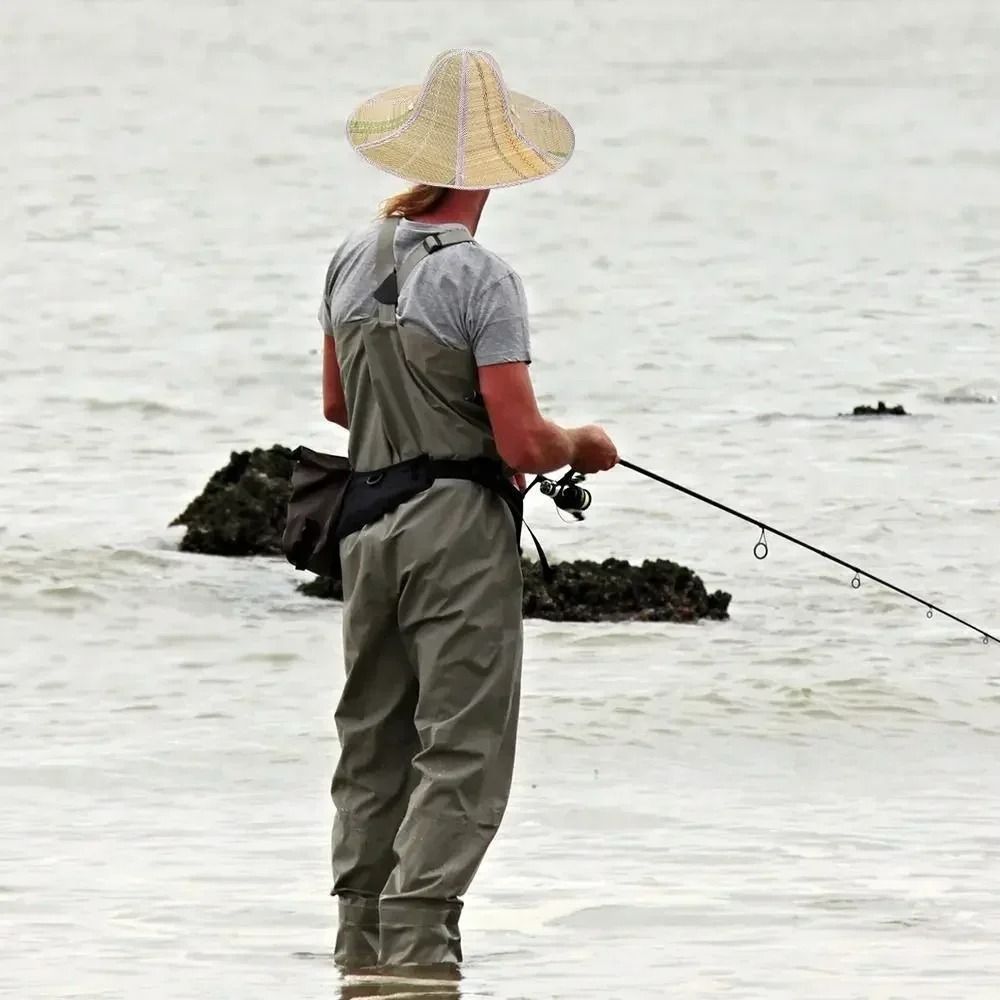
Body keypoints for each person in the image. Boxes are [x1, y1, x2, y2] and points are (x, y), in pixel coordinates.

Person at [317, 47, 618, 974]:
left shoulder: (350, 257)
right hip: (455, 531)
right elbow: (525, 444)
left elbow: (337, 406)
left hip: (364, 525)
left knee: (373, 740)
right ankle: (418, 948)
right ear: (497, 165)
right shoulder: (483, 277)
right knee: (462, 746)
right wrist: (587, 446)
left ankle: (359, 947)